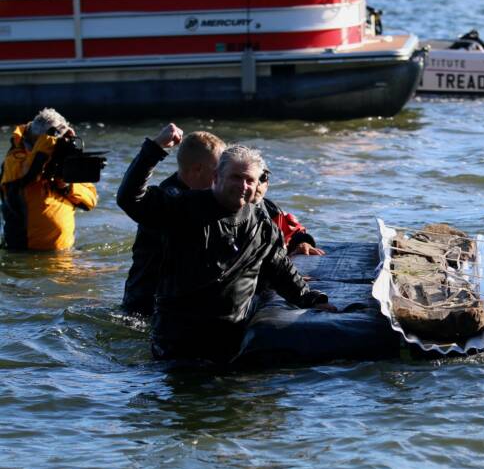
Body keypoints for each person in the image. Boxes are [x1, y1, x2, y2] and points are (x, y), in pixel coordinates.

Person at [117, 141, 334, 363]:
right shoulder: (182, 208)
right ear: (216, 178)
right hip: (178, 342)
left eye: (250, 180)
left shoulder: (262, 222)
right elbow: (130, 199)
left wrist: (311, 299)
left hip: (230, 337)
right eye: (236, 177)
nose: (243, 186)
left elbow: (279, 268)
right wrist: (154, 150)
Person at [122, 124, 225, 315]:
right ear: (197, 170)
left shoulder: (208, 198)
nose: (222, 178)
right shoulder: (167, 202)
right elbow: (129, 197)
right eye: (218, 172)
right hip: (146, 308)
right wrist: (155, 148)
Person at [0, 108, 98, 250]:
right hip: (24, 254)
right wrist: (49, 142)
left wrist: (65, 185)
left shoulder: (64, 161)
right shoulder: (14, 160)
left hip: (65, 254)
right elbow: (26, 175)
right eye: (48, 141)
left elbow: (91, 200)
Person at [251, 168, 325, 256]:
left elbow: (293, 234)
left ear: (267, 184)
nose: (257, 183)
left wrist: (302, 244)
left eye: (263, 177)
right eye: (250, 178)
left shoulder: (272, 211)